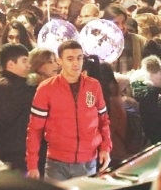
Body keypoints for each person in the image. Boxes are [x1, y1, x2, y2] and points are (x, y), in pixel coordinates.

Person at [25, 40, 111, 181]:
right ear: (60, 61)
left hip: (88, 161)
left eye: (79, 58)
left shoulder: (93, 85)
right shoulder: (46, 88)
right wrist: (32, 164)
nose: (76, 63)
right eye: (70, 59)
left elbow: (104, 120)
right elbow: (35, 129)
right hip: (56, 163)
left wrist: (105, 148)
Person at [0, 44, 36, 173]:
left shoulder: (4, 83)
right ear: (11, 64)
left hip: (10, 152)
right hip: (14, 155)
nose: (29, 65)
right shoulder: (10, 87)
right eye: (24, 61)